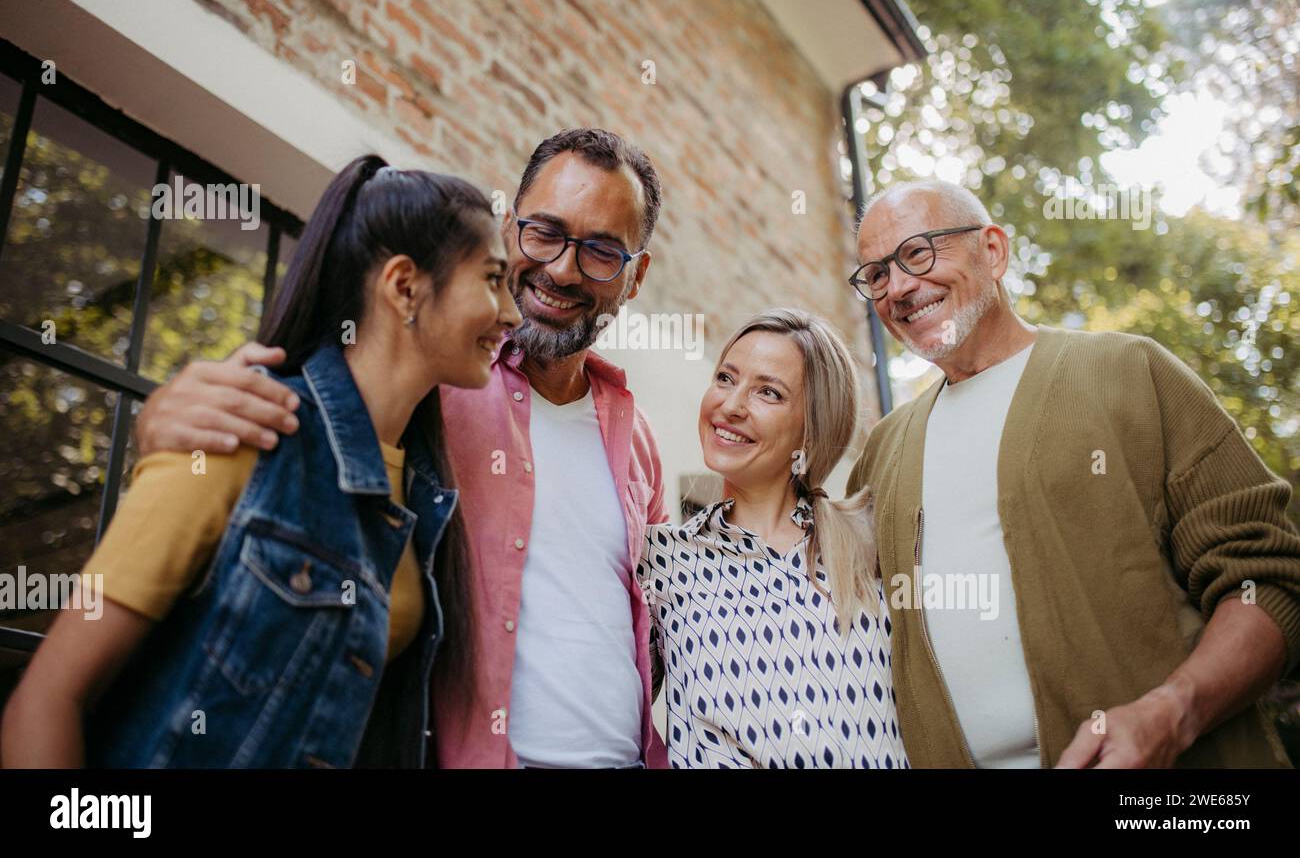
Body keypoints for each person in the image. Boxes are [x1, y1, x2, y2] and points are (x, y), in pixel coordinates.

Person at [113, 128, 670, 768]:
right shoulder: (444, 374)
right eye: (544, 232)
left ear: (637, 275)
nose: (564, 269)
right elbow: (306, 422)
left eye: (602, 251)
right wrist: (159, 422)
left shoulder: (639, 439)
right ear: (511, 227)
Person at [1, 156, 520, 767]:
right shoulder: (241, 431)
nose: (511, 313)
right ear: (404, 287)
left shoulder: (424, 494)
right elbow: (44, 702)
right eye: (491, 279)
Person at [846, 178, 1300, 768]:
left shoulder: (1129, 371)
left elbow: (1268, 582)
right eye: (877, 275)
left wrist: (1173, 712)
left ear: (992, 251)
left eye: (917, 253)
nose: (899, 287)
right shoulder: (883, 451)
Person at [640, 308, 907, 768]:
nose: (731, 405)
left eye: (769, 392)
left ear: (812, 427)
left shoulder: (873, 542)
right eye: (725, 378)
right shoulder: (661, 560)